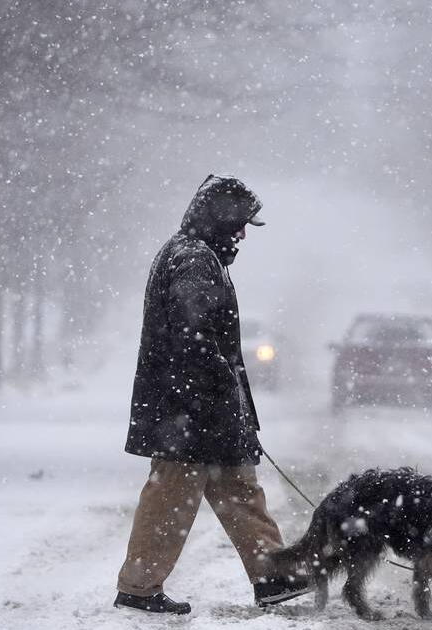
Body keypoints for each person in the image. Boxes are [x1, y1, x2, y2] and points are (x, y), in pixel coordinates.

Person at [114, 175, 311, 615]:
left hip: (200, 406)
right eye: (239, 223)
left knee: (238, 488)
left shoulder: (199, 255)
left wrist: (231, 403)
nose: (243, 233)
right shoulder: (192, 259)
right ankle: (139, 587)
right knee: (172, 495)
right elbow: (194, 337)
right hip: (188, 408)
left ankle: (272, 575)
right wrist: (222, 392)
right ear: (218, 219)